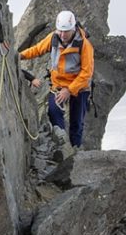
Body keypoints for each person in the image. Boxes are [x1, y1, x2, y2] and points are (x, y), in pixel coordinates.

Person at [20, 11, 94, 147]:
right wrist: (19, 56)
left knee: (76, 122)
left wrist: (69, 90)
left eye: (66, 31)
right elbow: (37, 50)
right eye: (60, 31)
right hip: (58, 84)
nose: (62, 35)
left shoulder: (84, 45)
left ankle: (75, 151)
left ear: (73, 29)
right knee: (54, 113)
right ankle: (62, 146)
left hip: (79, 87)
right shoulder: (53, 38)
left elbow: (87, 73)